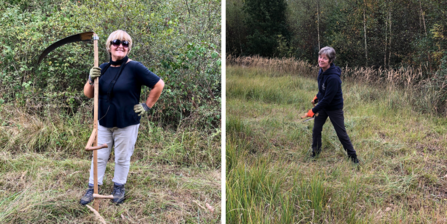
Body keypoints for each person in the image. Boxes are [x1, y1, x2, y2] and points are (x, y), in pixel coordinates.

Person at [80, 30, 165, 205]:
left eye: (125, 43)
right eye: (116, 42)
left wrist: (147, 105)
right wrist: (90, 79)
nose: (120, 46)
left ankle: (118, 187)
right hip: (103, 122)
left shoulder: (135, 67)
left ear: (129, 48)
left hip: (127, 122)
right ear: (109, 46)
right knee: (99, 156)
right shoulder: (102, 68)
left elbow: (158, 84)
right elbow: (88, 94)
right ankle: (92, 187)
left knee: (122, 157)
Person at [302, 46, 359, 163]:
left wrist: (313, 110)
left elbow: (328, 99)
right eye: (320, 57)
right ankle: (315, 153)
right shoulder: (321, 71)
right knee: (316, 129)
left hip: (334, 108)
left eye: (325, 58)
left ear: (330, 61)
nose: (321, 60)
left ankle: (353, 157)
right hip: (323, 107)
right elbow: (323, 90)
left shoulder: (333, 78)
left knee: (341, 133)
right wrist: (317, 96)